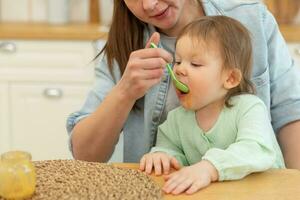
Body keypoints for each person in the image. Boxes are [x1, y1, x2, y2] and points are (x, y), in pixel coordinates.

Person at [66, 0, 300, 168]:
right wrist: (125, 92)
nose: (148, 5)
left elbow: (291, 113)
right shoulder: (125, 43)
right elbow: (86, 155)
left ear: (231, 77)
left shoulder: (251, 18)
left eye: (196, 64)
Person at [139, 15, 285, 195]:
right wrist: (162, 157)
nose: (179, 69)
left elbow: (256, 149)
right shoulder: (177, 119)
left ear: (230, 78)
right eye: (177, 61)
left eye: (195, 64)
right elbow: (170, 150)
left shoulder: (249, 108)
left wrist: (210, 167)